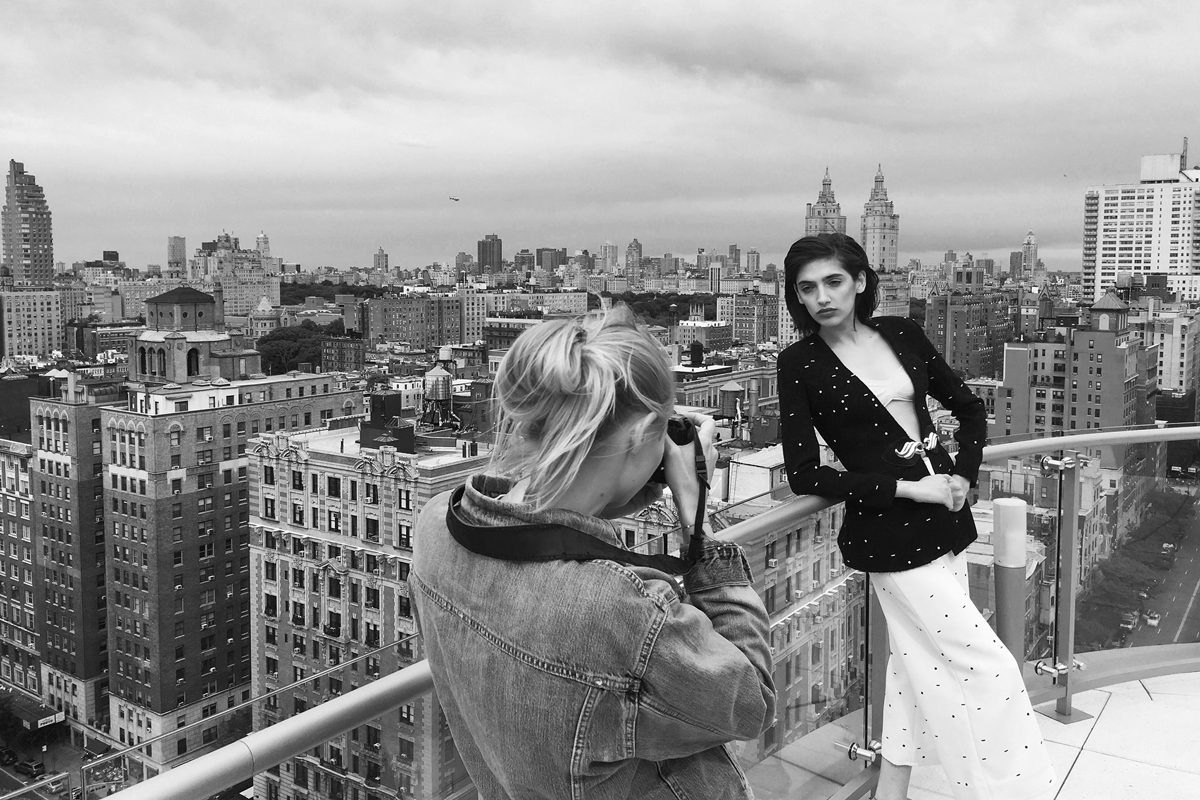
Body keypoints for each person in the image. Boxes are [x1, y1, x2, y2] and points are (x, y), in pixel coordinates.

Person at [411, 305, 776, 800]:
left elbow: (544, 533)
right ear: (640, 433)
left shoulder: (438, 525)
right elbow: (752, 702)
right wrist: (697, 522)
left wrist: (618, 490)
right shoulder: (620, 610)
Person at [777, 233, 1055, 800]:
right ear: (796, 297)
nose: (822, 297)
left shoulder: (901, 331)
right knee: (987, 665)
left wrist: (964, 476)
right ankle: (1009, 791)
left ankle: (893, 789)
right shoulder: (798, 363)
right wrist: (910, 488)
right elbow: (805, 474)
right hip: (889, 535)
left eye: (833, 281)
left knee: (912, 666)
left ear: (860, 281)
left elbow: (969, 408)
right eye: (807, 288)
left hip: (947, 520)